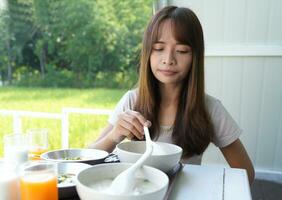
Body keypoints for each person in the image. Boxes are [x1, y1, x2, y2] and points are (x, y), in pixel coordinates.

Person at [89, 6, 254, 184]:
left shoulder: (210, 108)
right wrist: (114, 135)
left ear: (195, 57)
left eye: (182, 51)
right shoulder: (132, 100)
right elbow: (88, 158)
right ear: (147, 53)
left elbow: (246, 174)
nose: (168, 59)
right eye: (159, 48)